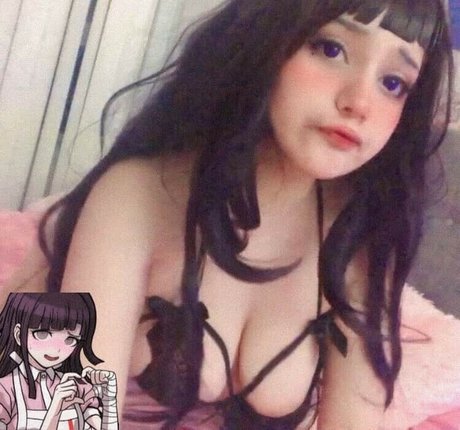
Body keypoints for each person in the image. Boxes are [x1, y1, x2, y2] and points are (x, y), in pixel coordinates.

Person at [4, 0, 454, 428]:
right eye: (331, 49)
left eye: (393, 83)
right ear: (267, 40)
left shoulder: (361, 235)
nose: (360, 102)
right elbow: (54, 416)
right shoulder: (134, 194)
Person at [0, 293, 119, 429]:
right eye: (43, 334)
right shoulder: (5, 390)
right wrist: (55, 410)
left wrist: (109, 398)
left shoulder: (76, 386)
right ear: (18, 335)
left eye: (70, 339)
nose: (56, 349)